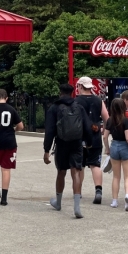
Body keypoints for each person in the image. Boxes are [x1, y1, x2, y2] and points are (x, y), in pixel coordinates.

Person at [43, 83, 92, 219]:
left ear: (60, 93)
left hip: (62, 143)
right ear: (72, 93)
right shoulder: (79, 107)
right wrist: (88, 142)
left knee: (61, 172)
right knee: (76, 171)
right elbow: (87, 126)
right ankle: (77, 207)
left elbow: (50, 130)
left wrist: (46, 150)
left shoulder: (55, 108)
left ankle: (58, 203)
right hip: (77, 143)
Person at [73, 77, 109, 205]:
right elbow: (106, 118)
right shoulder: (99, 101)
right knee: (95, 165)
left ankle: (78, 191)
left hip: (80, 137)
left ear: (81, 87)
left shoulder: (76, 101)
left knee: (79, 166)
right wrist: (104, 129)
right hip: (95, 136)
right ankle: (98, 191)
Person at [105, 98, 128, 211]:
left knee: (116, 176)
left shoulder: (109, 120)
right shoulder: (126, 120)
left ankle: (114, 201)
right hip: (125, 147)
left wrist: (107, 149)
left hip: (114, 146)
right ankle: (127, 196)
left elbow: (105, 136)